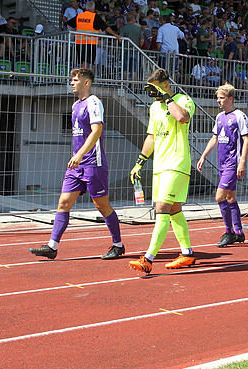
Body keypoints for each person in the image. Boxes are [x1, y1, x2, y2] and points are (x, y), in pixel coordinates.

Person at [30, 68, 125, 260]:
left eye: (75, 80)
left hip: (92, 163)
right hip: (76, 165)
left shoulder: (94, 102)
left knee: (101, 205)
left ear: (86, 82)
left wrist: (80, 154)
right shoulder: (75, 106)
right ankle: (52, 246)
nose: (72, 83)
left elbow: (97, 131)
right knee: (64, 202)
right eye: (71, 80)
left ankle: (118, 245)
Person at [128, 68, 197, 274]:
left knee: (162, 208)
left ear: (166, 85)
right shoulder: (154, 107)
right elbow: (152, 137)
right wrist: (140, 162)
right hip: (160, 166)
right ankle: (187, 253)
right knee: (174, 210)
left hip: (176, 163)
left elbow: (182, 117)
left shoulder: (183, 100)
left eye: (155, 88)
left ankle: (148, 258)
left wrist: (166, 97)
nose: (153, 94)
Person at [197, 84, 248, 247]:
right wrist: (204, 155)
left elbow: (247, 139)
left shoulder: (239, 116)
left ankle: (229, 232)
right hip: (222, 162)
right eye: (217, 98)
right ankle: (239, 232)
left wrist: (242, 162)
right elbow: (215, 138)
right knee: (230, 197)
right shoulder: (220, 117)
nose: (218, 101)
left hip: (232, 163)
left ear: (230, 99)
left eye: (221, 98)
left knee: (219, 197)